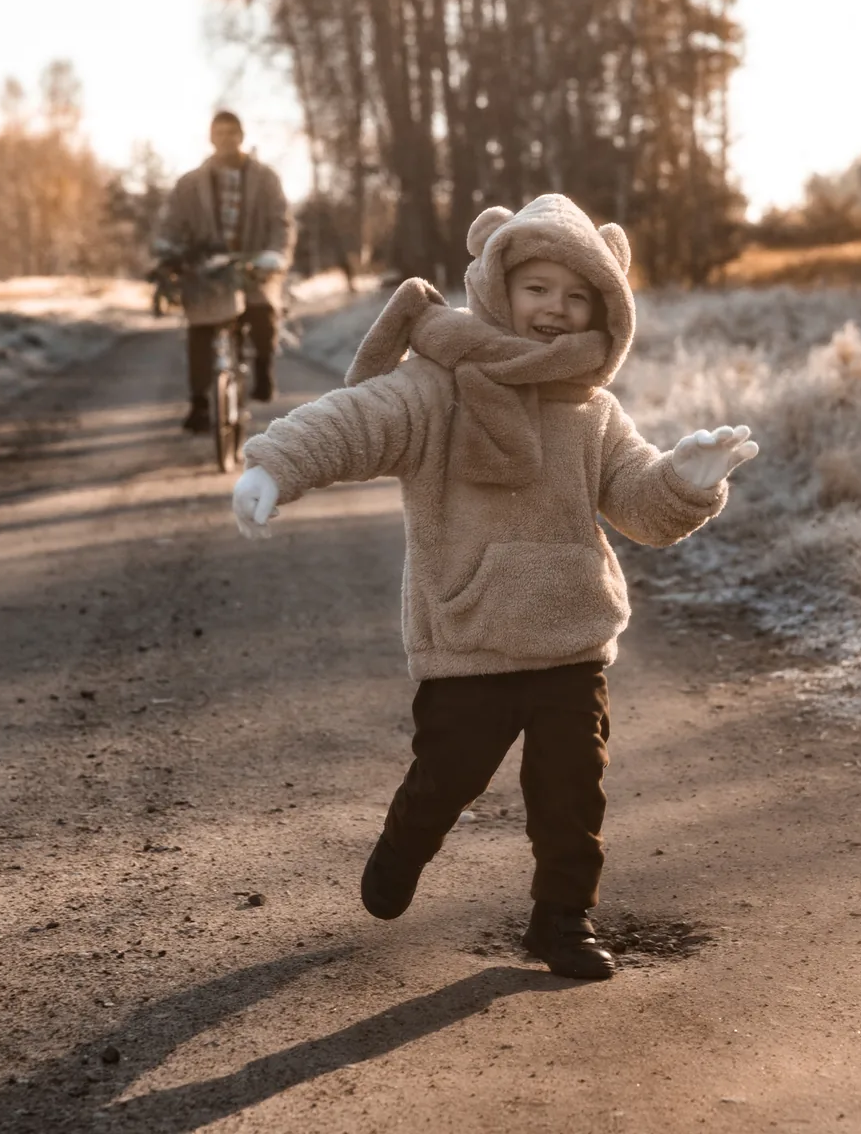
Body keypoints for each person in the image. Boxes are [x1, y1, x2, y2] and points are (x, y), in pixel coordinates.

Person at [231, 194, 758, 980]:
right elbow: (355, 420)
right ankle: (405, 841)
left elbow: (640, 508)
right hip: (469, 639)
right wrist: (277, 464)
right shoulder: (434, 387)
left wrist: (683, 481)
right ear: (498, 284)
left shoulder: (593, 411)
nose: (556, 308)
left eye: (578, 295)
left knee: (571, 796)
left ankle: (561, 921)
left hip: (571, 639)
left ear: (605, 310)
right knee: (448, 778)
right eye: (539, 287)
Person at [157, 111, 295, 432]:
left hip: (254, 265)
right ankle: (200, 404)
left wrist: (275, 254)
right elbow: (172, 223)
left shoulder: (265, 178)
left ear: (242, 136)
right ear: (210, 138)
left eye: (232, 133)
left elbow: (281, 222)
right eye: (219, 133)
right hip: (207, 271)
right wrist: (170, 252)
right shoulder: (190, 184)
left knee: (262, 313)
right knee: (200, 329)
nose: (226, 139)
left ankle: (264, 366)